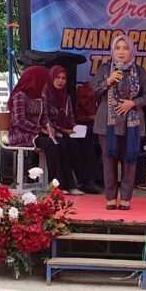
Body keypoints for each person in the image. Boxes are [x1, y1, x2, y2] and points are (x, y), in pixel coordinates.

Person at [92, 34, 146, 210]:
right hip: (107, 124)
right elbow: (94, 91)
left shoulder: (139, 72)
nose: (121, 52)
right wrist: (108, 81)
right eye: (118, 48)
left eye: (125, 48)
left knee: (129, 161)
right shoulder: (105, 69)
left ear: (131, 51)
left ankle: (126, 197)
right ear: (112, 51)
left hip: (131, 124)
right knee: (109, 162)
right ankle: (110, 197)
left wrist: (133, 103)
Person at [8, 66, 82, 195]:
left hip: (38, 133)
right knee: (52, 144)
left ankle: (70, 185)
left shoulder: (40, 96)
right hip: (22, 134)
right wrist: (41, 129)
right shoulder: (20, 95)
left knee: (60, 142)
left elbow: (44, 118)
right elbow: (19, 120)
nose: (46, 83)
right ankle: (56, 185)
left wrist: (49, 128)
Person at [42, 65, 101, 194]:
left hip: (67, 130)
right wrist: (62, 129)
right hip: (53, 131)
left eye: (63, 78)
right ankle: (79, 180)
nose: (60, 81)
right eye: (57, 77)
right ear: (51, 78)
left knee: (86, 139)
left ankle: (89, 180)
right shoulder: (44, 95)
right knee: (71, 143)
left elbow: (71, 117)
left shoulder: (66, 97)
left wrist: (75, 128)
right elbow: (45, 119)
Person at [76, 80, 103, 186]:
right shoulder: (81, 94)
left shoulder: (102, 95)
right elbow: (76, 117)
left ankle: (105, 178)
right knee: (88, 143)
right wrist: (91, 117)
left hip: (100, 127)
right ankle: (91, 179)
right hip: (84, 127)